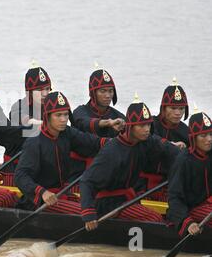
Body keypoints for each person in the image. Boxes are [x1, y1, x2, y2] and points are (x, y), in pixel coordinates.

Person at [80, 94, 180, 230]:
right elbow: (86, 182)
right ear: (130, 127)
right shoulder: (112, 150)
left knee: (167, 216)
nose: (147, 130)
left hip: (128, 198)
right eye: (142, 125)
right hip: (109, 204)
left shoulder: (146, 141)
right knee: (155, 218)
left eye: (148, 125)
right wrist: (88, 214)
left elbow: (169, 149)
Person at [15, 91, 107, 213]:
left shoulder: (67, 133)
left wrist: (116, 142)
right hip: (40, 201)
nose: (64, 119)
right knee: (88, 211)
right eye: (58, 115)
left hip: (61, 193)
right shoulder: (34, 142)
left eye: (66, 114)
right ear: (47, 116)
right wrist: (42, 192)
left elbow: (91, 142)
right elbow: (20, 176)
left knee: (99, 206)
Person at [1, 64, 52, 186]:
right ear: (29, 91)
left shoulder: (52, 108)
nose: (45, 93)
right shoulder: (18, 106)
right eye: (40, 90)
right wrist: (42, 124)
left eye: (47, 89)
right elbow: (22, 119)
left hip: (39, 168)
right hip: (15, 169)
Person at [140, 78, 189, 201]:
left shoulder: (187, 132)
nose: (178, 113)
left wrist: (188, 149)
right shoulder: (149, 124)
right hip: (141, 184)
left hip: (169, 185)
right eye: (173, 108)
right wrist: (169, 145)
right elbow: (149, 139)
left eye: (181, 108)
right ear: (164, 108)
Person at [167, 108, 212, 236]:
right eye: (203, 135)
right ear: (193, 138)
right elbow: (174, 197)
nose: (209, 139)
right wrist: (187, 222)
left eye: (211, 134)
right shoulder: (183, 161)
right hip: (191, 209)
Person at [72, 67, 125, 137]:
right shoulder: (79, 112)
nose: (108, 96)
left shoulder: (118, 116)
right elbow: (85, 123)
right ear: (93, 93)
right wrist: (108, 123)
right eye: (103, 91)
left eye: (110, 91)